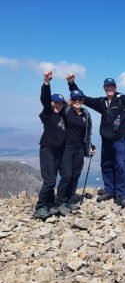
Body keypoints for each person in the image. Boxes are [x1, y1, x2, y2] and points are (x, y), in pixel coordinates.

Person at [67, 74, 125, 208]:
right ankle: (110, 190)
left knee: (121, 165)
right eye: (107, 86)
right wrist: (71, 83)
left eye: (112, 86)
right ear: (104, 88)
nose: (109, 88)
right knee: (106, 165)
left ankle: (124, 195)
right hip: (106, 140)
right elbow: (83, 98)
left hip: (119, 139)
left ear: (115, 87)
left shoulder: (123, 100)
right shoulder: (101, 102)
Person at [54, 87, 95, 215]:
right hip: (66, 147)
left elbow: (86, 133)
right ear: (71, 100)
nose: (77, 100)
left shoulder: (85, 114)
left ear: (83, 100)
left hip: (79, 148)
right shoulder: (66, 111)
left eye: (80, 98)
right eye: (75, 98)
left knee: (76, 175)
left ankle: (71, 200)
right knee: (67, 175)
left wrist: (90, 146)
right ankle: (60, 202)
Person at [33, 71, 67, 220]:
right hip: (47, 150)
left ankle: (50, 204)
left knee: (54, 178)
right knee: (50, 180)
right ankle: (40, 207)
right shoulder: (48, 112)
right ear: (52, 103)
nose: (58, 105)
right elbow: (45, 99)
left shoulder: (63, 116)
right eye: (56, 102)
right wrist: (46, 82)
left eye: (61, 103)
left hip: (59, 151)